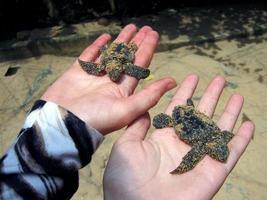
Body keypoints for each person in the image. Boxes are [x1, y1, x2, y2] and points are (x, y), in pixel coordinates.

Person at [0, 24, 254, 200]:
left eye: (219, 150)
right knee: (165, 116)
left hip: (187, 120)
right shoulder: (205, 143)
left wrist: (57, 125)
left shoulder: (209, 142)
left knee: (168, 116)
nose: (218, 152)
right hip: (184, 119)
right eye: (219, 150)